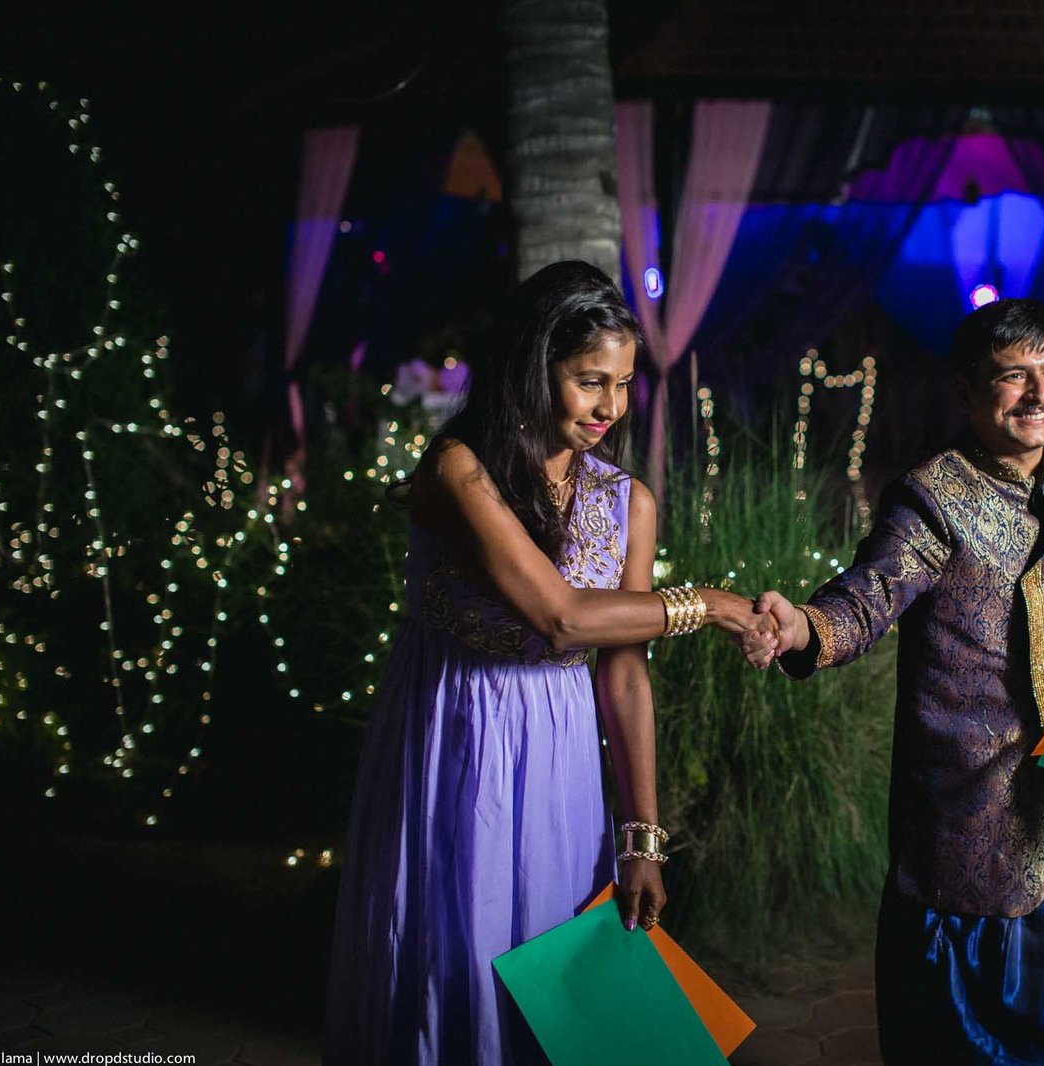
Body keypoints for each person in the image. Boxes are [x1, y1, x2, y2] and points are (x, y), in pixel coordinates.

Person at [324, 260, 773, 1065]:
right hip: (454, 733)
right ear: (534, 369)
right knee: (452, 957)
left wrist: (643, 839)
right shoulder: (459, 469)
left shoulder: (627, 501)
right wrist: (707, 604)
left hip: (560, 753)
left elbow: (623, 672)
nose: (610, 407)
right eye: (588, 381)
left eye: (623, 384)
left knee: (558, 966)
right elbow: (561, 616)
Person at [744, 298, 1044, 1064]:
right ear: (966, 392)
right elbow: (867, 597)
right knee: (953, 1037)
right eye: (1014, 376)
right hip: (961, 817)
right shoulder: (933, 496)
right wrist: (803, 627)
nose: (1039, 394)